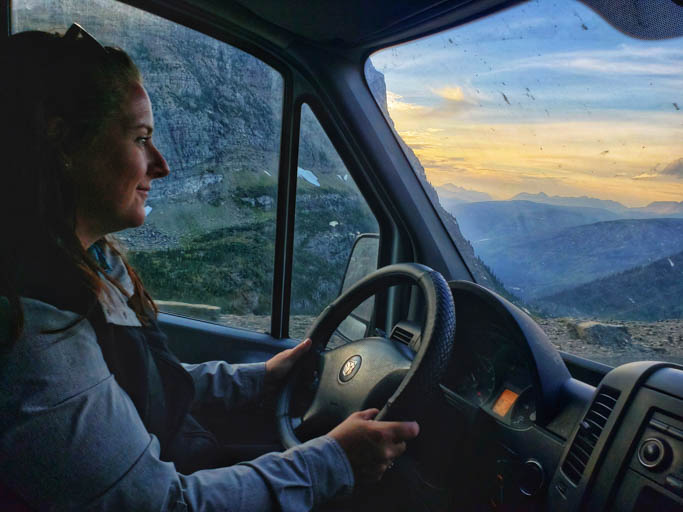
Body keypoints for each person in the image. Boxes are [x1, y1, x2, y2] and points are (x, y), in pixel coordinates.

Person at [0, 24, 419, 511]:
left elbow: (148, 385)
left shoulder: (88, 263)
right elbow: (159, 505)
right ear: (64, 144)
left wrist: (260, 377)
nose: (161, 165)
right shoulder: (32, 326)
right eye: (140, 139)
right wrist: (333, 463)